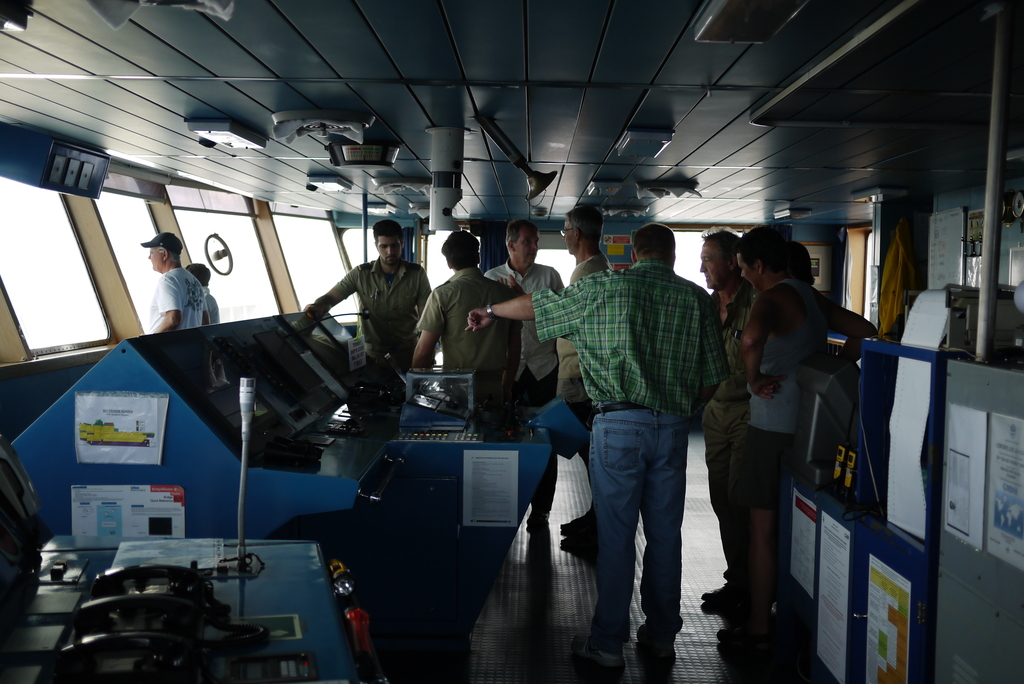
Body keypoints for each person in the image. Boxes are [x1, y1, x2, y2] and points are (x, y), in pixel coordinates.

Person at [466, 223, 728, 667]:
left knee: (618, 536)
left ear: (634, 251)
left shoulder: (604, 287)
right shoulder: (697, 299)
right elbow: (711, 379)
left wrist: (491, 308)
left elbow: (538, 306)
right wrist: (675, 406)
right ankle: (662, 636)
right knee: (665, 535)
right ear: (671, 254)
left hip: (618, 423)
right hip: (673, 428)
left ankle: (607, 644)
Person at [720, 227, 876, 653]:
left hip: (770, 428)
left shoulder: (769, 299)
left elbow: (750, 339)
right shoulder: (811, 297)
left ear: (757, 265)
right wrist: (830, 375)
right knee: (802, 524)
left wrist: (753, 380)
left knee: (762, 529)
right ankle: (794, 615)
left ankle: (757, 627)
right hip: (811, 427)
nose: (745, 275)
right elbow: (866, 329)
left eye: (745, 267)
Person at [484, 219, 564, 531]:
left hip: (545, 368)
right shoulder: (491, 279)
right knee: (505, 441)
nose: (534, 247)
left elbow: (562, 319)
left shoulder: (550, 275)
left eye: (536, 241)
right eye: (528, 241)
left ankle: (541, 512)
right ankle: (508, 508)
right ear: (511, 245)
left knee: (547, 443)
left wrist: (522, 298)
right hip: (510, 372)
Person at [698, 228, 754, 616]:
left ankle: (752, 587)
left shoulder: (758, 301)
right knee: (721, 500)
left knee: (741, 499)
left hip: (748, 412)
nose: (702, 268)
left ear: (733, 262)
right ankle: (737, 579)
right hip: (713, 413)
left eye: (709, 260)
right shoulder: (704, 305)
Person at [412, 230, 521, 408]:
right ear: (478, 257)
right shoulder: (507, 293)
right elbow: (515, 348)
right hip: (493, 388)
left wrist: (415, 389)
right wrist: (506, 386)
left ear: (449, 263)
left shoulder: (442, 295)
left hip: (455, 389)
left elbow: (424, 352)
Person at [304, 219, 431, 371]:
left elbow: (427, 317)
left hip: (408, 354)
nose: (390, 251)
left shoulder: (417, 274)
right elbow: (330, 298)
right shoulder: (360, 274)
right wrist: (318, 306)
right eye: (384, 246)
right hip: (373, 356)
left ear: (402, 242)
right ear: (376, 246)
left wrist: (427, 353)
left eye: (394, 245)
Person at [555, 205, 609, 552]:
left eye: (564, 229)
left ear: (576, 233)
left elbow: (571, 322)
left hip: (582, 377)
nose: (563, 235)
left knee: (593, 456)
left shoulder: (588, 273)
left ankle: (598, 527)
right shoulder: (590, 268)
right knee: (591, 456)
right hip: (579, 373)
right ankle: (594, 517)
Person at [142, 232, 209, 334]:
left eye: (151, 253)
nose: (149, 258)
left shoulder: (168, 280)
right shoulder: (194, 281)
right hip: (190, 346)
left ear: (164, 254)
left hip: (167, 347)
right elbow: (205, 321)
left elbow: (173, 319)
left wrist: (148, 342)